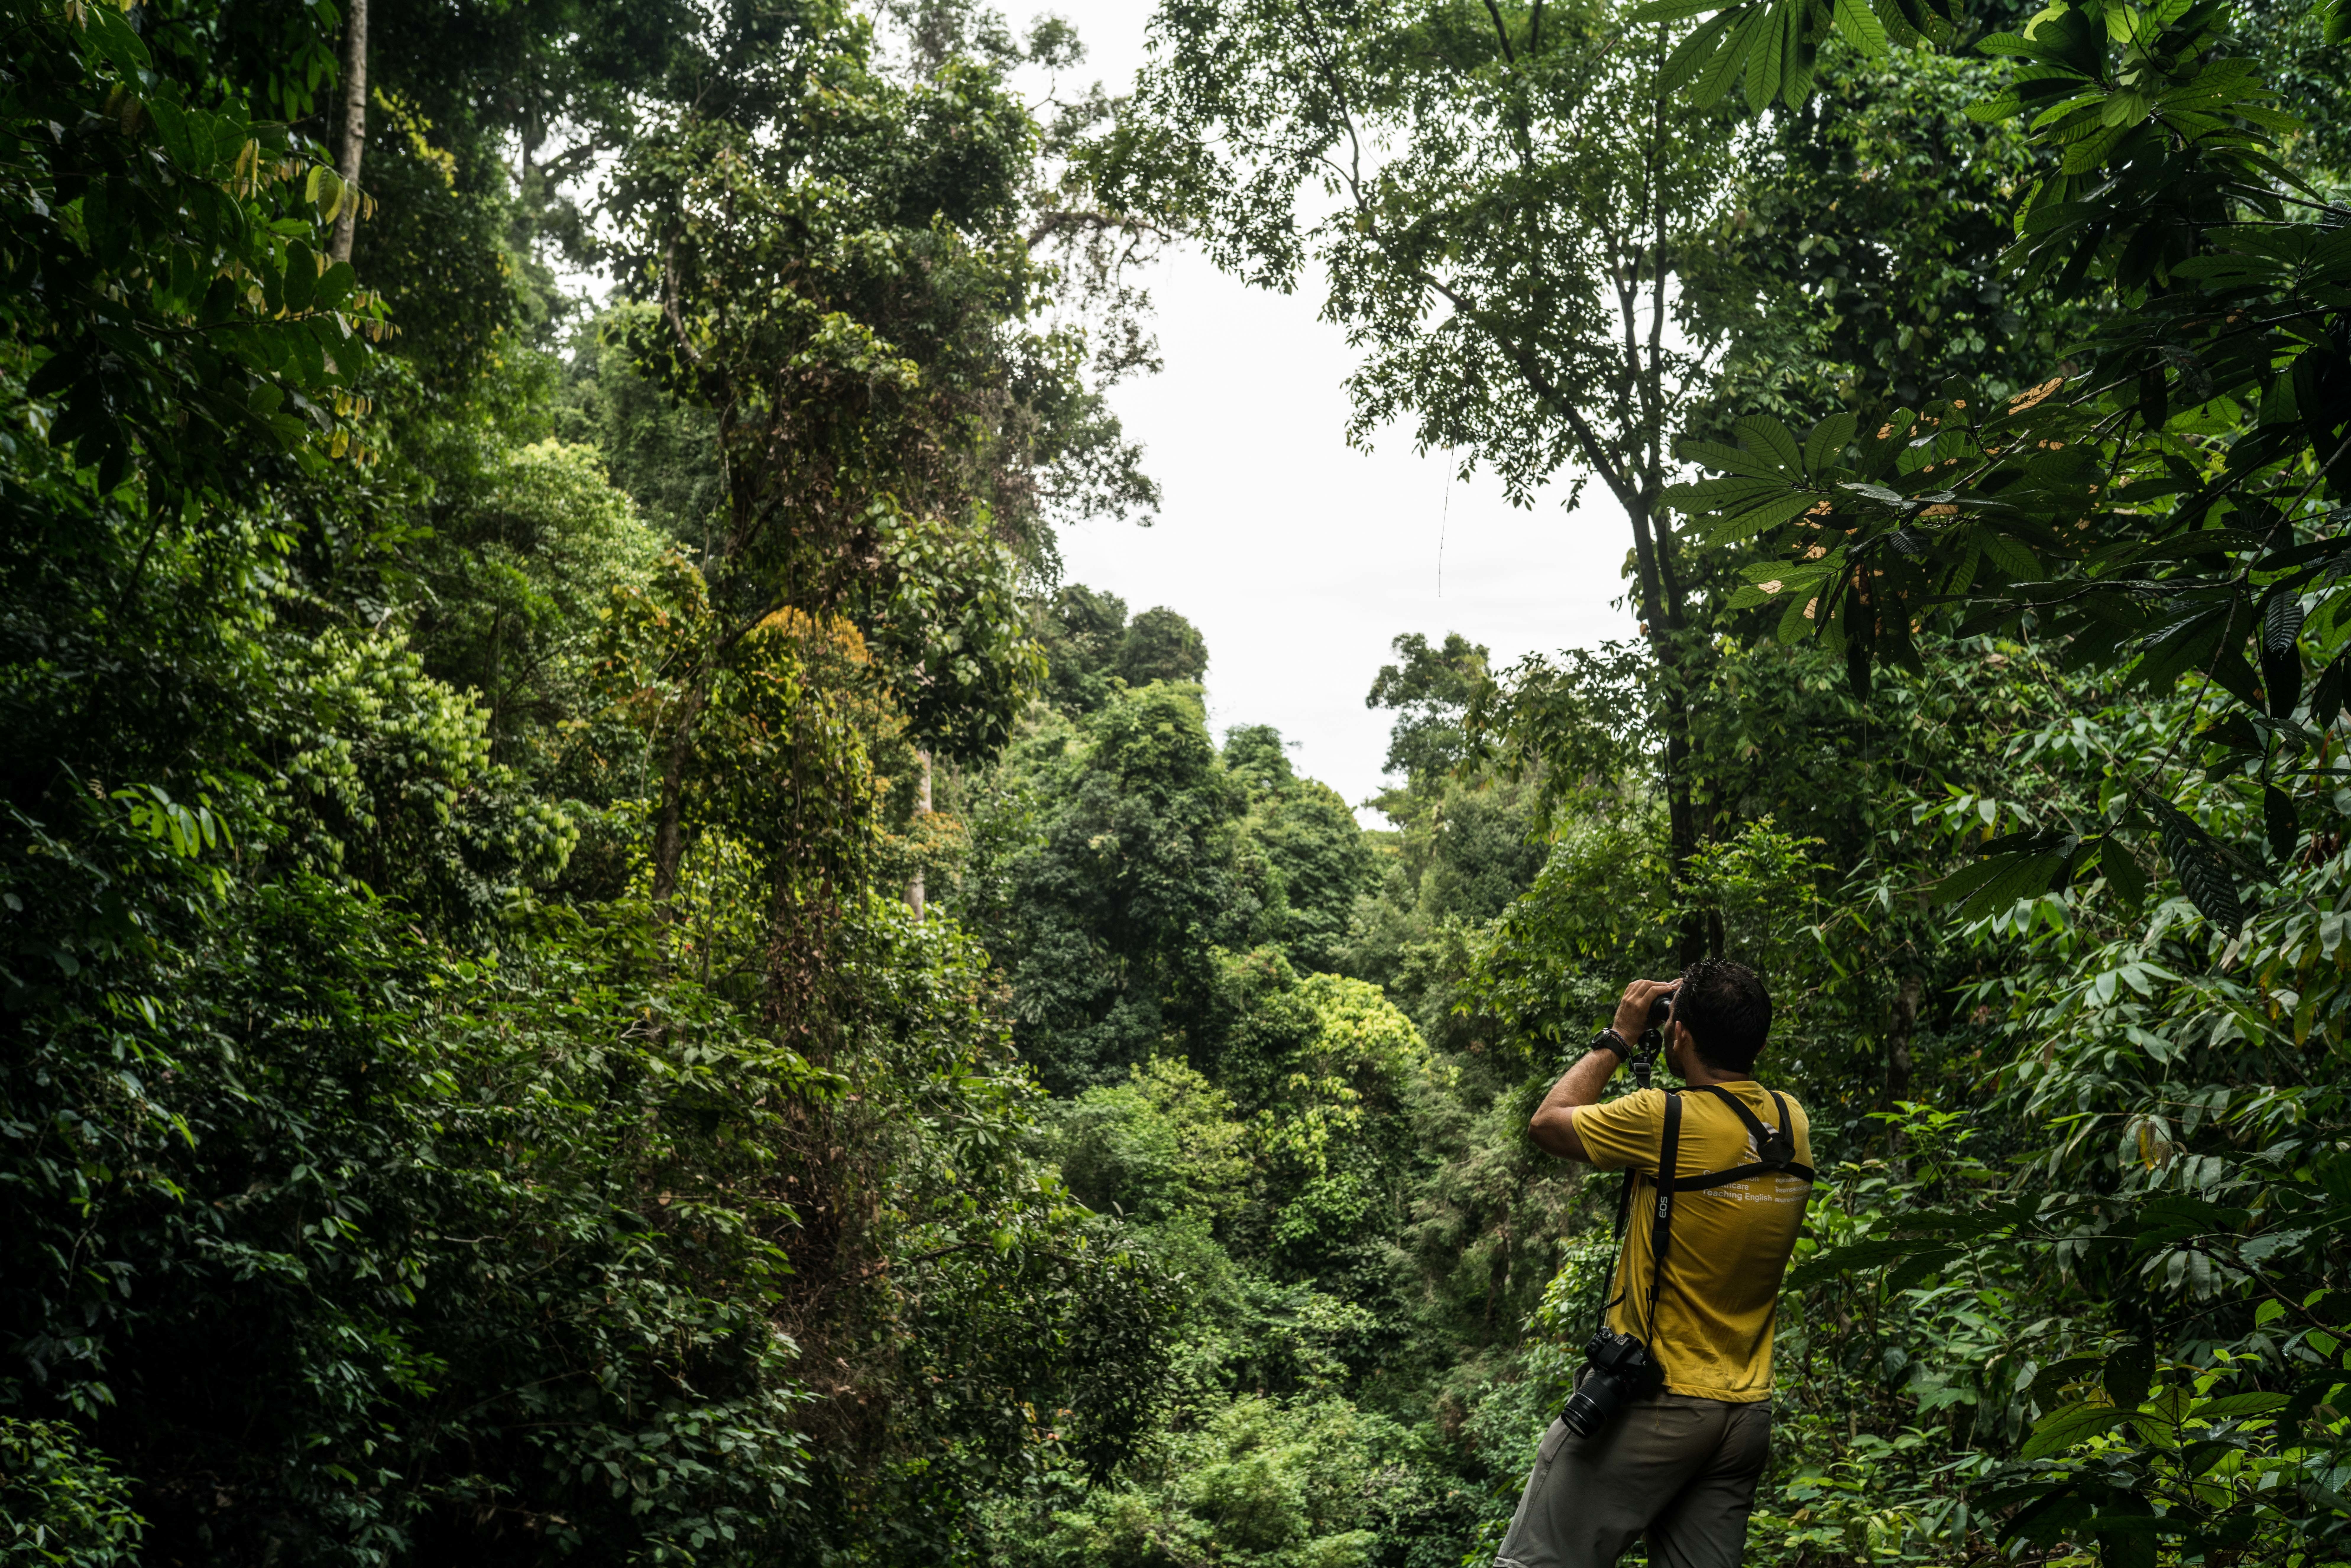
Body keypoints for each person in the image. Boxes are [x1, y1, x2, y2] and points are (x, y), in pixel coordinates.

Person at [1496, 959, 1813, 1568]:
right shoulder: (1791, 1122)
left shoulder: (1663, 1118)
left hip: (1656, 1400)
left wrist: (1619, 1037)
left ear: (1680, 1035)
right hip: (1742, 1417)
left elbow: (1546, 1123)